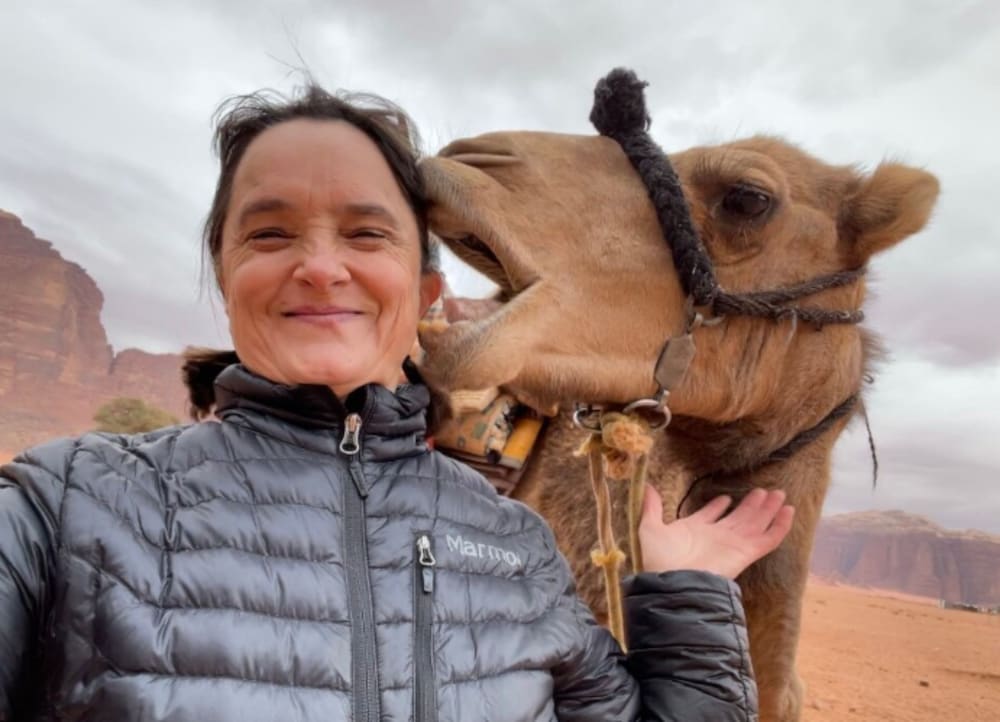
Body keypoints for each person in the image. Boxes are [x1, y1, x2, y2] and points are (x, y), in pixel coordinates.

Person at [0, 83, 793, 722]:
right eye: (269, 235)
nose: (319, 266)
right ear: (226, 274)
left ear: (425, 291)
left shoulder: (517, 550)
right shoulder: (64, 508)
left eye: (366, 235)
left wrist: (688, 593)